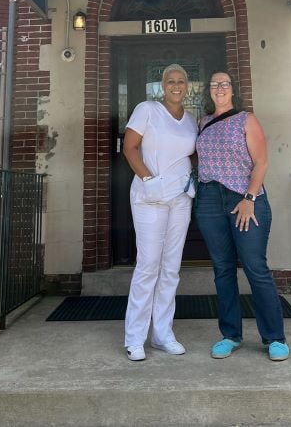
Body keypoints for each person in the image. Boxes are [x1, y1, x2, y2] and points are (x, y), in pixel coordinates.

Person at [195, 70, 289, 361]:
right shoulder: (202, 122)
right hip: (209, 199)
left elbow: (261, 161)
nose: (219, 88)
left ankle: (274, 338)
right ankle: (230, 335)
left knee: (255, 268)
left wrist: (249, 197)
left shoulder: (246, 119)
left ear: (233, 89)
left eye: (224, 84)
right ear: (208, 91)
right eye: (214, 84)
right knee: (223, 270)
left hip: (245, 200)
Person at [122, 63, 197, 362]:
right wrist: (150, 181)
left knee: (171, 268)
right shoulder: (147, 109)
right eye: (170, 81)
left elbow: (190, 154)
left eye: (181, 81)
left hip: (180, 198)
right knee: (148, 266)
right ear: (161, 86)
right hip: (149, 196)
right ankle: (134, 337)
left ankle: (162, 333)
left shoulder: (191, 120)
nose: (176, 86)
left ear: (187, 86)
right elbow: (130, 149)